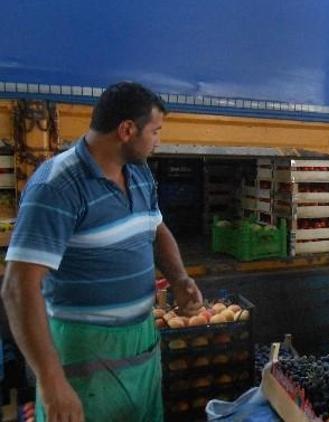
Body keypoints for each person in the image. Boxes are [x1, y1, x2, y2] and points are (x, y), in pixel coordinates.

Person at [1, 81, 204, 422]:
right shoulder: (57, 185)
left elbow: (155, 229)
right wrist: (53, 384)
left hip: (140, 342)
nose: (159, 140)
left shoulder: (139, 174)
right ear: (127, 130)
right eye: (155, 131)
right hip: (81, 353)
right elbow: (18, 288)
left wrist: (179, 277)